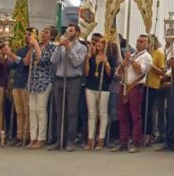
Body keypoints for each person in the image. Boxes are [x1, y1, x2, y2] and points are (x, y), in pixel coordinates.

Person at [49, 23, 87, 151]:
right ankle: (60, 139)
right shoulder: (61, 46)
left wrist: (69, 49)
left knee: (71, 111)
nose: (68, 33)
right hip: (60, 79)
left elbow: (77, 63)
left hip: (73, 80)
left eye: (71, 31)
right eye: (67, 31)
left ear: (77, 33)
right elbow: (53, 61)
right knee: (60, 111)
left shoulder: (82, 48)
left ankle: (71, 140)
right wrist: (58, 47)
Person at [112, 34, 152, 153]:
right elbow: (118, 73)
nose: (139, 43)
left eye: (142, 41)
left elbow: (140, 70)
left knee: (135, 116)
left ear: (147, 44)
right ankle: (123, 142)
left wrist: (131, 60)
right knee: (122, 115)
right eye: (138, 41)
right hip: (123, 85)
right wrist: (123, 64)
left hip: (135, 86)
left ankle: (136, 142)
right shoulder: (132, 54)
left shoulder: (147, 57)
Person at [26, 26, 57, 149]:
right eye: (43, 31)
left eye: (46, 32)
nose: (43, 34)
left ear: (52, 36)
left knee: (40, 109)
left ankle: (41, 138)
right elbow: (27, 62)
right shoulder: (37, 45)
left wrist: (36, 45)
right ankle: (33, 137)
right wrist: (32, 47)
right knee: (32, 110)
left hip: (44, 81)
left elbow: (43, 60)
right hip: (33, 81)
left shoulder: (52, 47)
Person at [4, 28, 34, 146]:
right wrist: (7, 55)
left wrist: (11, 54)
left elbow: (25, 62)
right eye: (25, 34)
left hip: (27, 83)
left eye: (29, 34)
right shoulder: (20, 50)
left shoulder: (34, 50)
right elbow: (12, 65)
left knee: (27, 111)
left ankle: (27, 136)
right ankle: (19, 135)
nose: (26, 36)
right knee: (19, 111)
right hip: (17, 82)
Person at [84, 37, 114, 150]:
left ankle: (101, 139)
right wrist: (87, 60)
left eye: (102, 42)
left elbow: (110, 75)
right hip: (91, 87)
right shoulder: (92, 57)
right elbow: (87, 73)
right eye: (98, 42)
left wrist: (106, 64)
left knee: (102, 113)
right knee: (91, 113)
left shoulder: (109, 58)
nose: (99, 44)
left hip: (104, 88)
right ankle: (90, 139)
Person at [145, 35, 168, 149]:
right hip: (145, 85)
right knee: (149, 111)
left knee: (156, 110)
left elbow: (163, 71)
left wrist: (152, 66)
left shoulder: (158, 53)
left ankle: (156, 133)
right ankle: (149, 132)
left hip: (156, 85)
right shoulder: (145, 54)